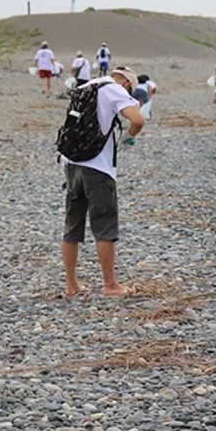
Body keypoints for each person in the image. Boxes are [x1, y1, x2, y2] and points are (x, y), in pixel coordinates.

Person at [60, 66, 145, 297]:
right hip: (97, 166)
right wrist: (129, 137)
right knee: (104, 224)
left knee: (72, 225)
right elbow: (137, 119)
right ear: (127, 84)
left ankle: (71, 285)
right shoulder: (115, 90)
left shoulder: (86, 86)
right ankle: (110, 285)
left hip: (71, 162)